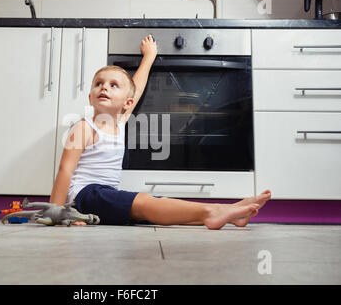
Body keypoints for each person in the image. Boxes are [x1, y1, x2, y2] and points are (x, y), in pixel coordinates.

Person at [49, 34, 271, 229]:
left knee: (154, 212)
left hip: (103, 195)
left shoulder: (119, 122)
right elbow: (65, 171)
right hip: (86, 195)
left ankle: (230, 215)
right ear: (90, 97)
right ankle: (216, 211)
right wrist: (57, 213)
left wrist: (148, 58)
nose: (104, 87)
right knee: (146, 202)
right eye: (99, 83)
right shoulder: (84, 127)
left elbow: (137, 86)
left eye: (113, 85)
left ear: (126, 103)